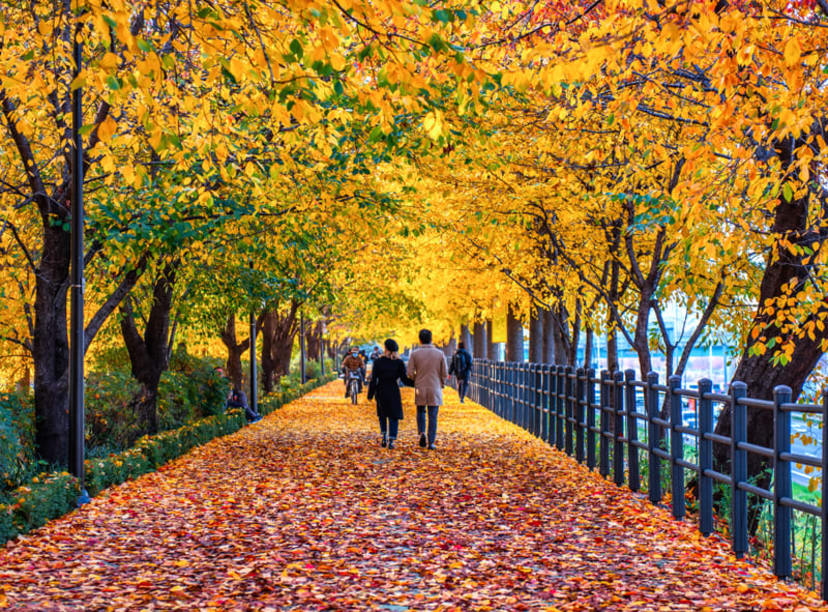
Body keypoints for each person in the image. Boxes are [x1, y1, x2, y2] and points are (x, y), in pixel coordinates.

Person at [367, 339, 413, 449]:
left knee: (382, 414)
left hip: (381, 390)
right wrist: (416, 383)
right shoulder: (399, 362)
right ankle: (391, 439)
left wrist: (370, 394)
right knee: (393, 415)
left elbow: (374, 379)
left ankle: (384, 435)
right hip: (393, 390)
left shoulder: (378, 362)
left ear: (385, 348)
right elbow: (404, 379)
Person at [406, 328, 448, 450]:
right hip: (435, 387)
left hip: (420, 387)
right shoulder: (439, 354)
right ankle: (431, 442)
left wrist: (416, 379)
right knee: (433, 415)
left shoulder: (415, 354)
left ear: (420, 339)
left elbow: (409, 372)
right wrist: (442, 382)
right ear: (431, 339)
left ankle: (421, 432)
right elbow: (444, 373)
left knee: (420, 411)